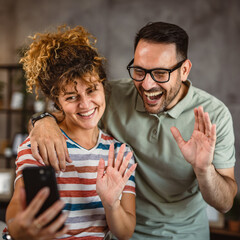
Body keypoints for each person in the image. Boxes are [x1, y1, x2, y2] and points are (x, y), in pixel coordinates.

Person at [27, 22, 237, 240]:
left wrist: (204, 170)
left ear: (184, 70)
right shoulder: (111, 96)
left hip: (185, 235)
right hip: (119, 232)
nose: (146, 85)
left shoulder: (213, 115)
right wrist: (43, 121)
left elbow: (224, 203)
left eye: (159, 73)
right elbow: (66, 111)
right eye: (139, 70)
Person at [4, 25, 137, 240]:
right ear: (57, 102)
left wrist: (111, 204)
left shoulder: (120, 154)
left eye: (92, 89)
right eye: (71, 97)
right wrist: (18, 228)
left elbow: (125, 232)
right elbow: (17, 206)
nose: (86, 105)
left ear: (104, 86)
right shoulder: (39, 144)